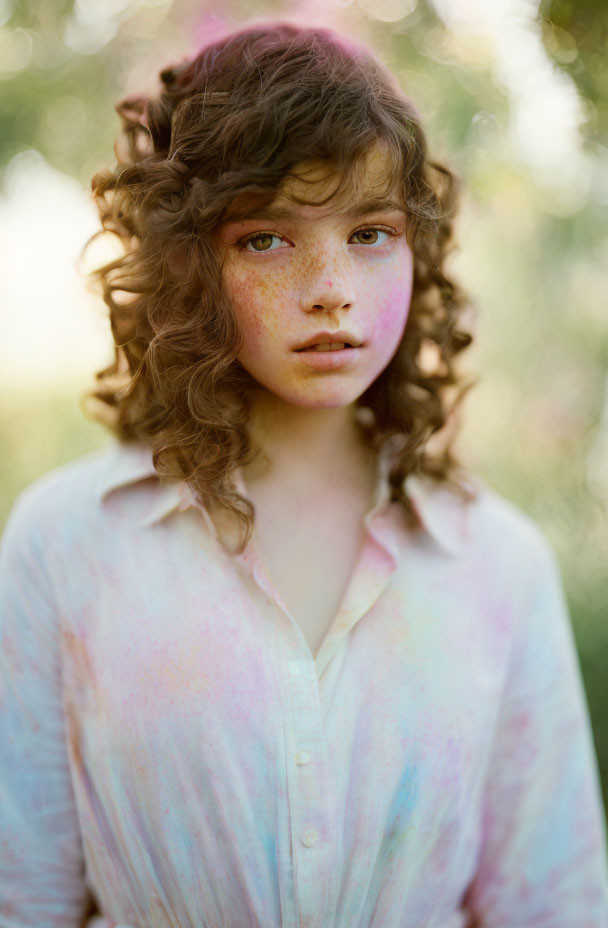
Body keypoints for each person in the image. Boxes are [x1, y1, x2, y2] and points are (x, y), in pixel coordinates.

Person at [1, 20, 607, 928]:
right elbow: (24, 896)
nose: (331, 285)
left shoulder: (498, 565)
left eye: (370, 232)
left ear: (418, 251)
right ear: (186, 265)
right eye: (266, 240)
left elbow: (554, 905)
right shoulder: (64, 545)